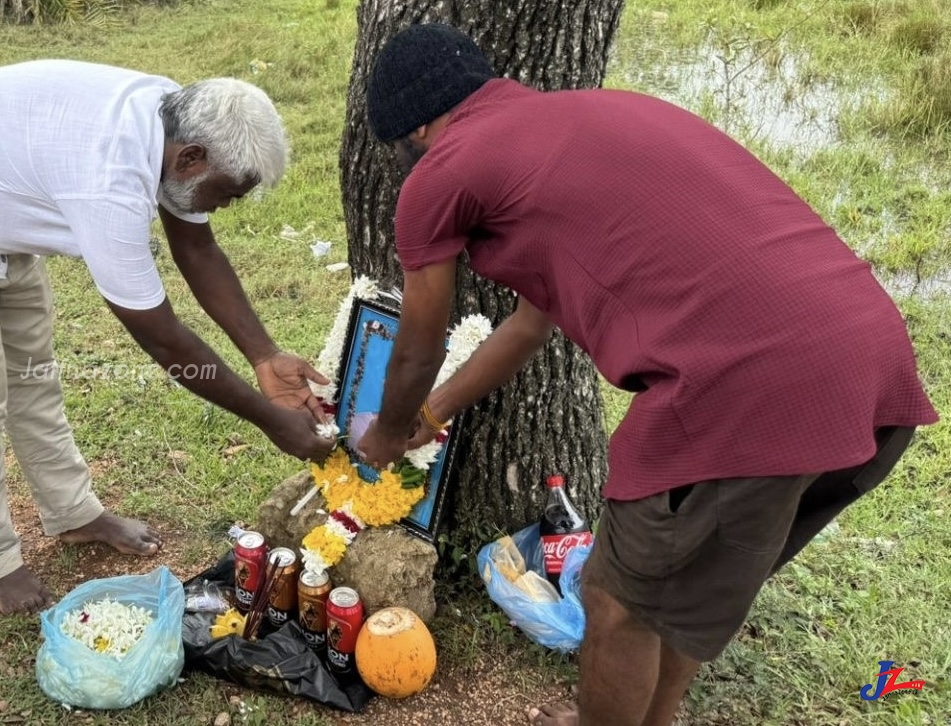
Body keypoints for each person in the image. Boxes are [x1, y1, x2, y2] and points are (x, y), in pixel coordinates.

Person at [354, 23, 939, 726]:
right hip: (869, 361)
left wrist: (386, 432)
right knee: (679, 595)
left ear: (416, 129)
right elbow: (528, 325)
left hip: (747, 386)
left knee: (617, 602)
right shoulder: (584, 122)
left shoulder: (439, 173)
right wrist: (432, 414)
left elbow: (416, 347)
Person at [0, 60, 336, 616]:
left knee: (34, 381)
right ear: (191, 160)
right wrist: (269, 418)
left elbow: (197, 249)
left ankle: (73, 513)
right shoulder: (109, 186)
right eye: (228, 193)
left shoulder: (172, 116)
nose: (227, 206)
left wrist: (265, 355)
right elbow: (163, 339)